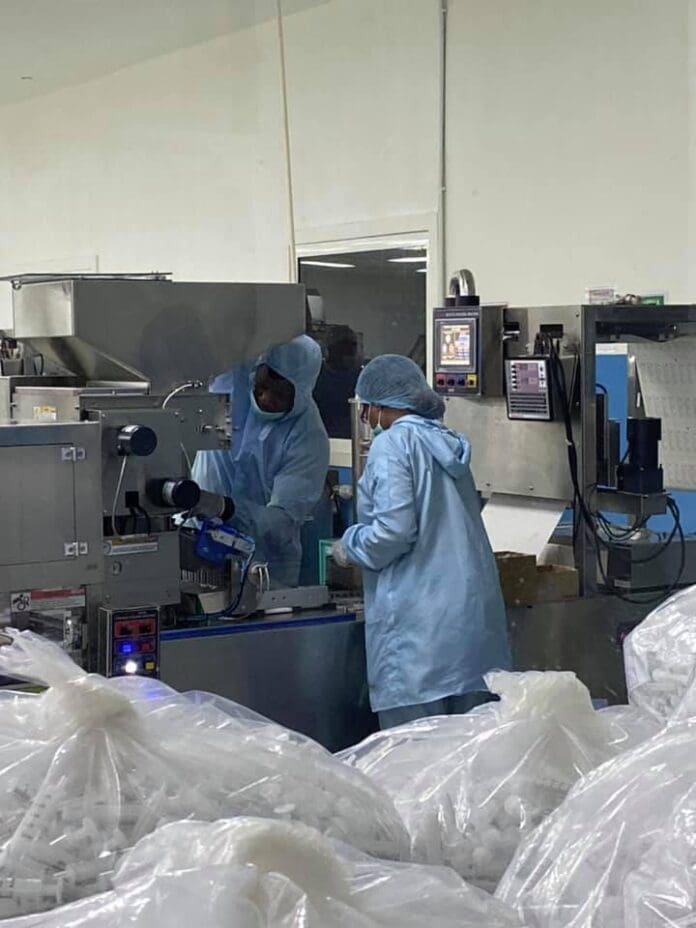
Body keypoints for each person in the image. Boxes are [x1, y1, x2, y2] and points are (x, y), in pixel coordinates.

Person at [332, 354, 511, 729]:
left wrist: (350, 547)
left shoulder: (392, 446)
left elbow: (393, 531)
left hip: (420, 633)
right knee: (469, 760)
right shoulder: (445, 442)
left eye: (367, 411)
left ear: (382, 406)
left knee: (414, 764)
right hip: (468, 627)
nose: (367, 420)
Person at [192, 335, 330, 588]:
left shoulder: (308, 436)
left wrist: (228, 510)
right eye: (262, 386)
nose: (265, 398)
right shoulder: (233, 383)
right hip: (197, 543)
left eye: (279, 394)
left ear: (301, 392)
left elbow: (283, 518)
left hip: (265, 562)